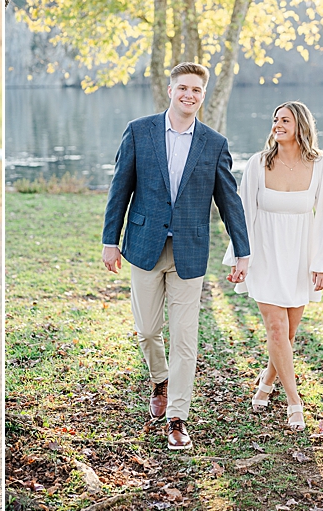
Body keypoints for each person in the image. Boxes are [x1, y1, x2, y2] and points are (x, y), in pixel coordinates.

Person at [102, 62, 250, 451]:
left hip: (190, 250)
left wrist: (242, 252)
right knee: (148, 330)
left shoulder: (214, 143)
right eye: (182, 88)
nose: (189, 95)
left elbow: (229, 201)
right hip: (144, 246)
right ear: (170, 90)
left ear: (203, 96)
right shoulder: (139, 131)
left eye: (196, 90)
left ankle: (177, 417)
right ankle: (159, 379)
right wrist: (109, 239)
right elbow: (120, 189)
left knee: (185, 338)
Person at [223, 101, 323, 431]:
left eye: (285, 120)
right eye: (275, 119)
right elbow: (243, 214)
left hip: (300, 257)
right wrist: (239, 258)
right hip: (264, 254)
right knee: (276, 330)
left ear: (300, 125)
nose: (277, 124)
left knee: (287, 333)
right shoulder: (258, 163)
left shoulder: (319, 165)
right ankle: (294, 402)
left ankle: (267, 380)